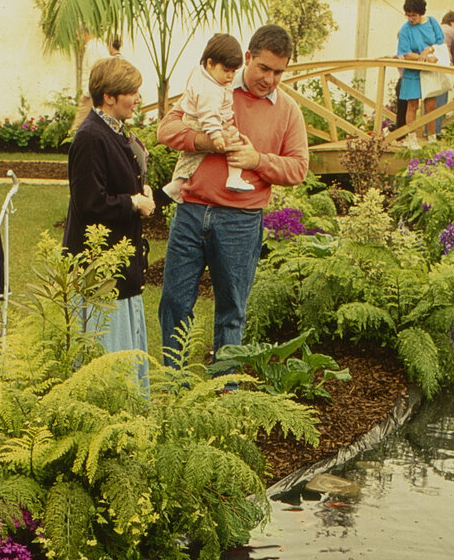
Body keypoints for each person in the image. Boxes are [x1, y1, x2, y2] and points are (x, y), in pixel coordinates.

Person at [156, 23, 308, 364]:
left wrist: (258, 161)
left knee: (232, 311)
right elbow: (166, 128)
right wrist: (206, 142)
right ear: (248, 57)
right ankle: (173, 384)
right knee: (174, 303)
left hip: (241, 221)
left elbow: (298, 168)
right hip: (192, 212)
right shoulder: (214, 86)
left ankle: (224, 393)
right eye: (264, 68)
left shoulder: (288, 111)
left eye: (279, 72)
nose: (269, 79)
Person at [62, 55, 155, 376]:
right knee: (107, 352)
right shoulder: (90, 137)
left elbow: (119, 180)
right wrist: (133, 203)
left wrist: (144, 193)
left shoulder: (113, 131)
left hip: (118, 263)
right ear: (109, 96)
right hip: (99, 267)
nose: (138, 99)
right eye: (132, 92)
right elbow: (90, 202)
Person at [163, 32, 253, 201]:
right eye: (226, 70)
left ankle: (176, 183)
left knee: (192, 156)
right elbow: (209, 115)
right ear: (210, 63)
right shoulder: (210, 90)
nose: (230, 76)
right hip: (204, 121)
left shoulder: (202, 74)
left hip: (193, 118)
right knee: (234, 142)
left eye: (234, 71)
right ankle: (234, 177)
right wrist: (216, 137)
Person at [395, 0, 445, 148]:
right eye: (408, 15)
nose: (411, 19)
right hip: (412, 70)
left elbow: (440, 41)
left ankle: (432, 137)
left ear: (421, 13)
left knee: (430, 104)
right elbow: (405, 52)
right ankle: (412, 138)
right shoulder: (405, 29)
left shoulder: (432, 22)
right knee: (412, 104)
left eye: (414, 15)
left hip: (429, 70)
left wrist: (428, 51)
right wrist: (422, 58)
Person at [433, 11, 454, 138]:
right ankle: (437, 131)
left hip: (429, 65)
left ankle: (426, 130)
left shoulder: (432, 29)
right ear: (453, 22)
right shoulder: (453, 32)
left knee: (429, 99)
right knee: (441, 100)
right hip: (443, 66)